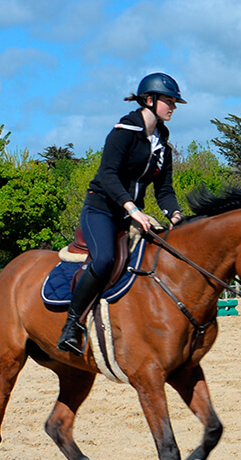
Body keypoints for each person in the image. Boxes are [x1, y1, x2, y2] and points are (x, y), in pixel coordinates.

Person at [57, 72, 187, 355]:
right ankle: (71, 326)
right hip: (101, 209)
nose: (173, 106)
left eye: (174, 102)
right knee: (104, 259)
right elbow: (108, 175)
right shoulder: (123, 132)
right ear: (150, 100)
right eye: (169, 100)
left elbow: (164, 189)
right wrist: (132, 208)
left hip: (130, 214)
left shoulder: (162, 142)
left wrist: (175, 214)